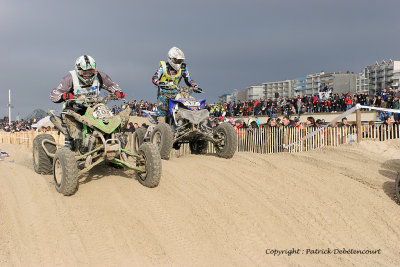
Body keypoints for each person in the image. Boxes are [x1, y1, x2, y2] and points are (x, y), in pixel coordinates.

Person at [50, 55, 126, 148]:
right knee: (67, 117)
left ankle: (115, 138)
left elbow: (112, 85)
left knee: (110, 118)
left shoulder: (100, 76)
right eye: (85, 72)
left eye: (91, 72)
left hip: (94, 106)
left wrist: (118, 92)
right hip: (75, 107)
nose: (88, 75)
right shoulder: (70, 78)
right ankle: (69, 141)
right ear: (78, 70)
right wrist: (64, 96)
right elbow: (54, 94)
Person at [152, 47, 202, 117]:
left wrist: (195, 86)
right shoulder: (163, 67)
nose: (178, 63)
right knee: (162, 110)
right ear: (170, 59)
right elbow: (154, 78)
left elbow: (188, 79)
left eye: (180, 61)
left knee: (186, 106)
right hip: (163, 93)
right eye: (176, 60)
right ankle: (161, 124)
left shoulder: (183, 68)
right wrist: (160, 82)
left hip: (176, 92)